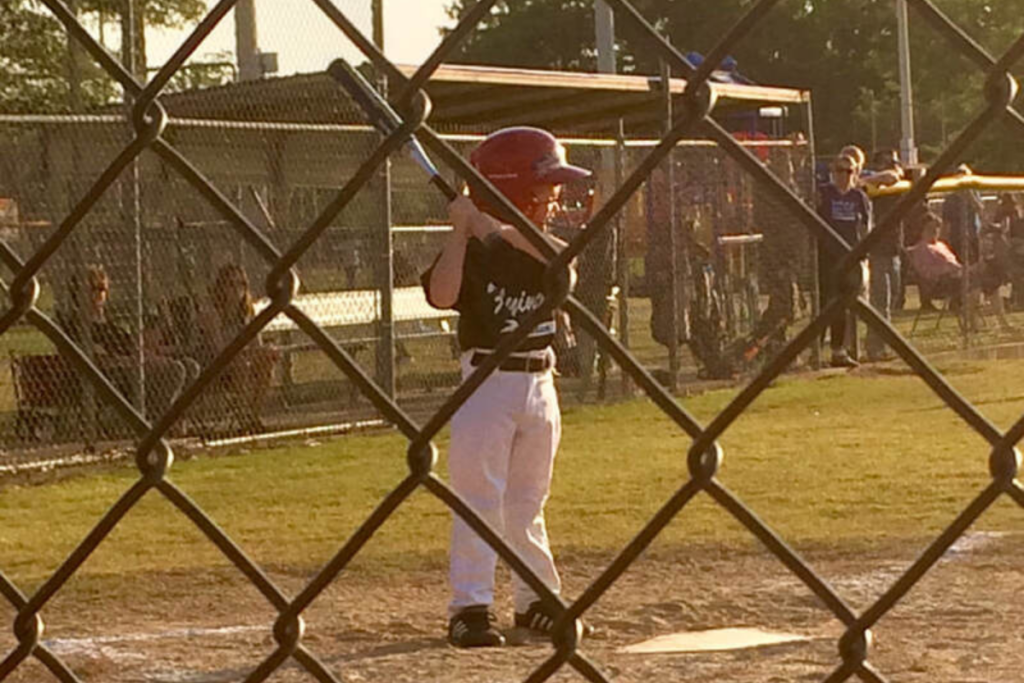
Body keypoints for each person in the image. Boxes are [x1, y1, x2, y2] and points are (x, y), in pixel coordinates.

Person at [422, 127, 590, 648]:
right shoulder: (474, 250)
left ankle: (535, 600)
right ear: (515, 187)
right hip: (486, 388)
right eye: (545, 188)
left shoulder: (536, 248)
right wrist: (461, 229)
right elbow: (441, 294)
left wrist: (500, 225)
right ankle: (470, 607)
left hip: (541, 384)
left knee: (526, 501)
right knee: (479, 500)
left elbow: (569, 268)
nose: (555, 197)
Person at [57, 264, 198, 422]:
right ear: (79, 293)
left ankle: (177, 420)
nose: (99, 294)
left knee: (189, 366)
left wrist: (155, 344)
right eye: (94, 289)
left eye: (102, 288)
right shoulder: (78, 325)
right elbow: (100, 360)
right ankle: (157, 423)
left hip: (133, 365)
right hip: (113, 375)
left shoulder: (108, 326)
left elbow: (133, 345)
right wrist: (136, 361)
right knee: (175, 370)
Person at [196, 264, 280, 433]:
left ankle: (252, 417)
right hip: (215, 366)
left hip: (243, 361)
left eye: (241, 284)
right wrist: (245, 354)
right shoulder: (212, 313)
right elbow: (218, 350)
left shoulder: (247, 312)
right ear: (221, 287)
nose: (237, 290)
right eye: (231, 285)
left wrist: (265, 351)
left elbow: (256, 344)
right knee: (240, 364)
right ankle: (243, 417)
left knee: (266, 360)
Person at [817, 154, 872, 368]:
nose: (843, 176)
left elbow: (865, 227)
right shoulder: (824, 193)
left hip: (850, 258)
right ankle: (814, 349)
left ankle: (838, 351)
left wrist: (863, 256)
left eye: (848, 171)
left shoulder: (859, 197)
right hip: (827, 256)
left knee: (844, 305)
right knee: (824, 303)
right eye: (839, 170)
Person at [864, 150, 905, 361]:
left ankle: (879, 344)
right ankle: (876, 348)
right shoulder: (870, 179)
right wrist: (880, 176)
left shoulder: (896, 180)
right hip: (877, 250)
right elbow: (881, 177)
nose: (894, 166)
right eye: (888, 162)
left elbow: (897, 175)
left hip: (894, 249)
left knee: (894, 297)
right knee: (882, 300)